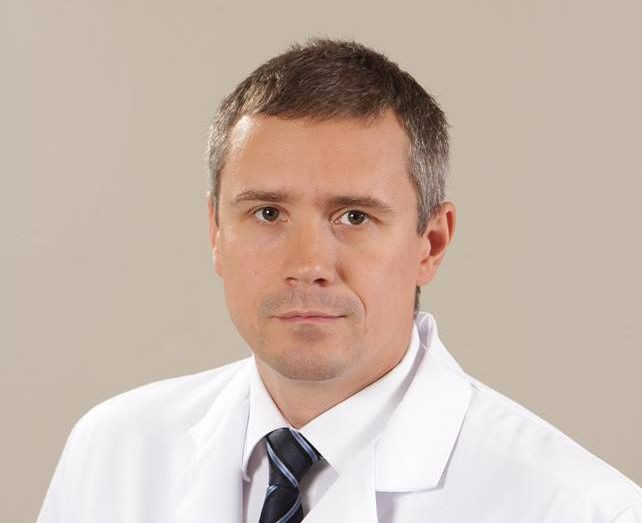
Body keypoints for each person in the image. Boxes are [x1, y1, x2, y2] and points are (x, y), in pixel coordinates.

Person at [38, 37, 641, 523]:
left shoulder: (579, 509)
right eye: (267, 213)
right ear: (216, 232)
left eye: (354, 216)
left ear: (431, 243)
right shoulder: (112, 453)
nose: (308, 264)